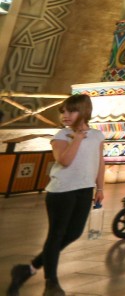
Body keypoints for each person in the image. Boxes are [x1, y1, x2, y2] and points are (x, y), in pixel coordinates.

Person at [8, 95, 105, 296]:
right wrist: (76, 139)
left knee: (74, 233)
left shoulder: (97, 135)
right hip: (62, 191)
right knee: (56, 234)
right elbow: (64, 161)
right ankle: (51, 283)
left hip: (85, 190)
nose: (65, 115)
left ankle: (28, 269)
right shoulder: (61, 135)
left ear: (84, 112)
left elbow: (100, 162)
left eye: (71, 111)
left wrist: (100, 188)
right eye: (63, 111)